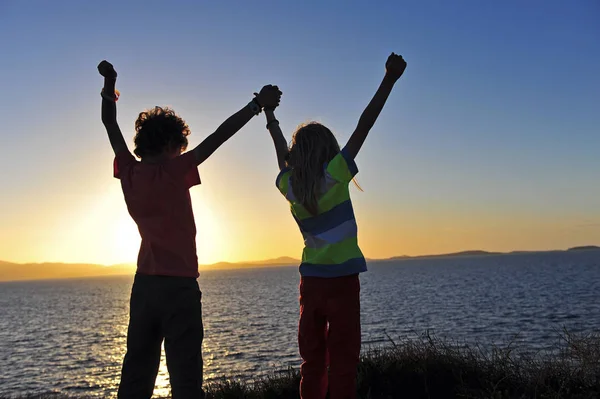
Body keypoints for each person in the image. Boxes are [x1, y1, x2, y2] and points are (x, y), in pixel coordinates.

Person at [97, 60, 281, 399]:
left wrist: (110, 84)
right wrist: (257, 105)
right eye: (180, 145)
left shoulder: (129, 173)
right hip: (180, 290)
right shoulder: (174, 170)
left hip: (144, 289)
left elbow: (109, 123)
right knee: (185, 381)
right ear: (170, 145)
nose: (183, 150)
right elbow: (218, 137)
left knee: (136, 376)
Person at [263, 53, 407, 398]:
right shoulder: (336, 175)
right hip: (342, 283)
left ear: (296, 157)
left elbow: (280, 150)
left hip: (310, 282)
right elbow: (364, 125)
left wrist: (270, 115)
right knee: (343, 361)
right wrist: (389, 79)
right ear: (329, 150)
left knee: (311, 362)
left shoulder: (290, 187)